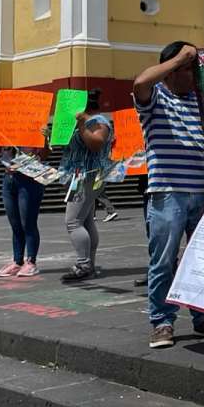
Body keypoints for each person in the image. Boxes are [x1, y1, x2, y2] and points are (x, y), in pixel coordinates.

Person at [134, 41, 204, 348]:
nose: (192, 76)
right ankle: (162, 321)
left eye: (193, 69)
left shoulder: (201, 101)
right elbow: (141, 82)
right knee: (163, 260)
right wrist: (180, 58)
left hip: (201, 192)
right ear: (172, 70)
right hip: (167, 192)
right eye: (187, 69)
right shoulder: (155, 98)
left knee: (203, 259)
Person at [59, 89, 115, 282]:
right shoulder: (79, 124)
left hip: (88, 176)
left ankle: (83, 264)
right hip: (77, 176)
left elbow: (97, 143)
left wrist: (82, 125)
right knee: (85, 220)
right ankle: (88, 264)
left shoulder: (99, 121)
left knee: (73, 221)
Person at [0, 115, 48, 277]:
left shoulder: (36, 129)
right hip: (9, 178)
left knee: (27, 222)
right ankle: (17, 261)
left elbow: (44, 155)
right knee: (15, 224)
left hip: (29, 180)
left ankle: (31, 262)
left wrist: (45, 136)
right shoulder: (7, 128)